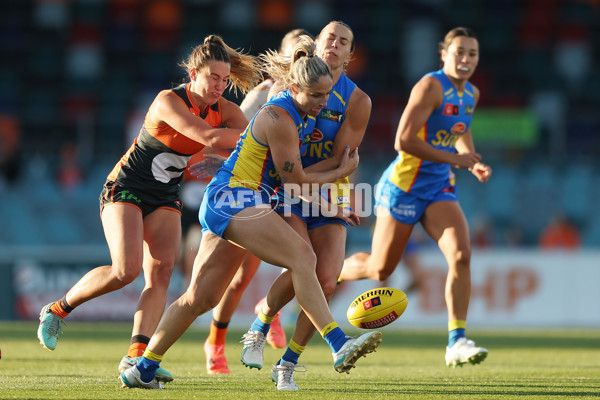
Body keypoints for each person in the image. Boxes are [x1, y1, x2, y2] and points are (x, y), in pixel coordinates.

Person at [119, 35, 382, 390]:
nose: (324, 103)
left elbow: (287, 179)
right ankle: (337, 344)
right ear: (294, 87)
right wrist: (336, 183)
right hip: (233, 198)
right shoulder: (280, 116)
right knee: (304, 256)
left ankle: (143, 367)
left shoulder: (302, 113)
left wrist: (331, 203)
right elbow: (295, 182)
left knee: (201, 298)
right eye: (317, 95)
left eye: (326, 94)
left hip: (244, 200)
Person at [36, 35, 262, 384]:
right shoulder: (167, 102)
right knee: (125, 271)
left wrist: (230, 155)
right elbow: (214, 138)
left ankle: (136, 357)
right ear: (193, 73)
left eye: (224, 78)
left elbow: (247, 143)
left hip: (164, 196)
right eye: (212, 77)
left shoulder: (226, 111)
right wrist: (243, 141)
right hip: (125, 188)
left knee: (161, 273)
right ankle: (57, 308)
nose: (219, 85)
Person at [339, 27, 492, 368]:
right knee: (380, 268)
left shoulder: (472, 94)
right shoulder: (430, 86)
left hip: (438, 186)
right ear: (444, 54)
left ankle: (457, 340)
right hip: (404, 185)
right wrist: (455, 158)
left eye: (472, 53)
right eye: (460, 52)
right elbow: (403, 140)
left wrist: (473, 160)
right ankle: (330, 269)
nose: (466, 59)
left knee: (461, 256)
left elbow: (460, 128)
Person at [238, 21, 372, 391]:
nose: (335, 44)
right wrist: (289, 177)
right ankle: (258, 326)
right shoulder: (288, 87)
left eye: (343, 41)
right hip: (287, 188)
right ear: (318, 43)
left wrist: (299, 175)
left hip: (327, 189)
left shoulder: (357, 101)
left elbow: (341, 161)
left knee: (327, 280)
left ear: (349, 54)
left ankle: (285, 359)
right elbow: (254, 137)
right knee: (304, 262)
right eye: (330, 37)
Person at [200, 28, 312, 375]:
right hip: (247, 192)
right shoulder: (265, 94)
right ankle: (215, 341)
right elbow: (239, 139)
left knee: (299, 257)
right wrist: (224, 163)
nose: (299, 58)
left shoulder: (317, 96)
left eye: (306, 53)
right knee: (234, 277)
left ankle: (271, 311)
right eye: (294, 51)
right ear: (281, 57)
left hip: (287, 190)